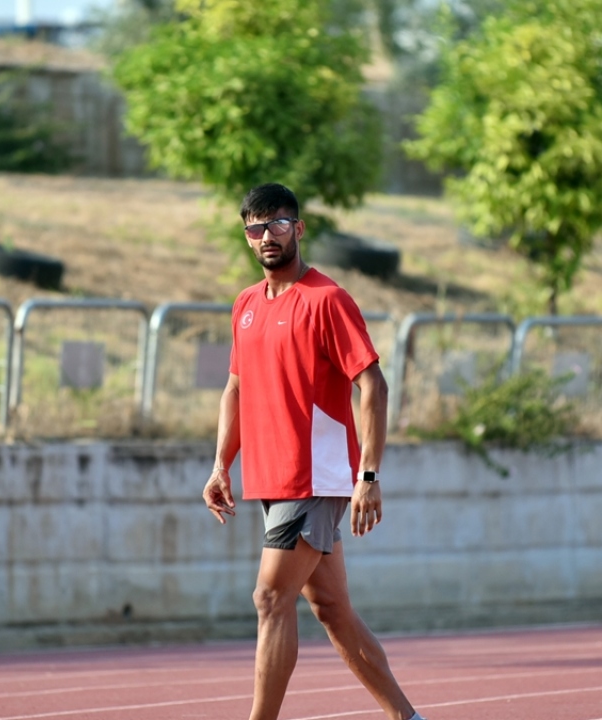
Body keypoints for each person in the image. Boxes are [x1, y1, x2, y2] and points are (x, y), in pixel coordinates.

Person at [202, 183, 426, 720]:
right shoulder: (246, 304)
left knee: (270, 598)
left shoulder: (327, 299)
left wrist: (367, 474)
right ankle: (408, 718)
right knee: (333, 610)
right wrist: (219, 464)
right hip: (267, 477)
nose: (266, 237)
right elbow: (236, 387)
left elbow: (373, 386)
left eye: (277, 224)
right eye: (255, 228)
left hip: (314, 477)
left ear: (298, 229)